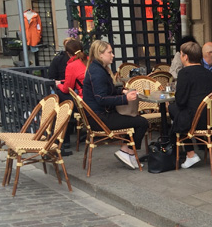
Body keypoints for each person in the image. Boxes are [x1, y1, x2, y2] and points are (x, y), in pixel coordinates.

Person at [82, 40, 149, 170]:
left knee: (135, 121)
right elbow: (101, 98)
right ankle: (127, 151)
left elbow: (107, 91)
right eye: (110, 52)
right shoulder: (98, 72)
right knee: (141, 122)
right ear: (100, 54)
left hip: (97, 116)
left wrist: (121, 91)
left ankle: (128, 152)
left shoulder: (97, 68)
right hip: (100, 119)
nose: (113, 55)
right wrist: (125, 98)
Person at [169, 41, 212, 169]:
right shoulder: (209, 73)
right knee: (179, 113)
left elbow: (181, 101)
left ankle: (190, 153)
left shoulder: (185, 73)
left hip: (196, 120)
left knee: (173, 109)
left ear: (185, 57)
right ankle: (187, 151)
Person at [53, 39, 87, 155]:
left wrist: (58, 85)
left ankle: (61, 139)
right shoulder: (89, 61)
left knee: (59, 99)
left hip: (84, 102)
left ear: (68, 53)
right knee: (64, 103)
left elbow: (67, 88)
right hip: (93, 98)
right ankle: (63, 138)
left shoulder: (72, 65)